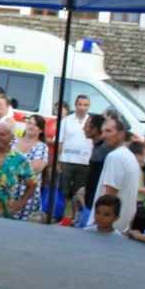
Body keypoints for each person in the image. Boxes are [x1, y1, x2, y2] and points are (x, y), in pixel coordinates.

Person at [85, 117, 141, 233]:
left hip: (107, 228)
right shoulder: (130, 156)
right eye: (102, 131)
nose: (104, 135)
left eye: (109, 131)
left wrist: (97, 223)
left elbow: (110, 193)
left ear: (121, 134)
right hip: (120, 226)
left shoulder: (115, 157)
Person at [56, 95, 92, 223]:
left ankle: (76, 219)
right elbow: (60, 142)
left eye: (85, 105)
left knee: (79, 193)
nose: (82, 107)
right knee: (64, 191)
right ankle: (61, 216)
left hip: (84, 162)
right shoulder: (66, 121)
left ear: (88, 107)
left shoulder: (91, 122)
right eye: (80, 104)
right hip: (67, 160)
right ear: (75, 105)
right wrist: (58, 161)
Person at [11, 114, 49, 221]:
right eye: (30, 123)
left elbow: (36, 168)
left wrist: (10, 167)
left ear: (41, 130)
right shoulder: (13, 141)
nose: (31, 126)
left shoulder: (41, 147)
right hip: (8, 193)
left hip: (28, 197)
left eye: (35, 125)